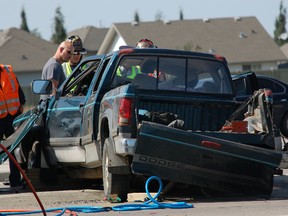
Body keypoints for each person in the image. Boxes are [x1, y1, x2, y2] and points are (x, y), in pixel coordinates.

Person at [0, 64, 26, 188]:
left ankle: (15, 180)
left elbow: (17, 88)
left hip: (11, 116)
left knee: (14, 150)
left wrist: (21, 102)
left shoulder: (7, 70)